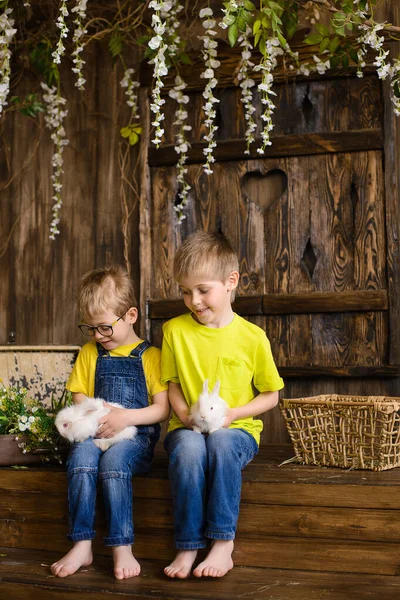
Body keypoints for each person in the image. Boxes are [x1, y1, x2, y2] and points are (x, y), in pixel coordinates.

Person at [161, 231, 284, 579]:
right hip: (186, 428)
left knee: (221, 441)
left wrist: (234, 414)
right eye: (185, 292)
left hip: (238, 431)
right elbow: (172, 385)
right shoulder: (174, 331)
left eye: (203, 290)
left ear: (231, 282)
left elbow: (270, 395)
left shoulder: (252, 338)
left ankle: (222, 542)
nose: (194, 301)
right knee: (188, 450)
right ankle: (186, 545)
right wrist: (184, 416)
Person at [50, 266, 169, 580]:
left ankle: (121, 545)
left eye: (104, 328)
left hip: (134, 440)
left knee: (113, 465)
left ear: (130, 315)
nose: (98, 336)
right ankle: (82, 542)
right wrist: (94, 419)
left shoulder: (151, 356)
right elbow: (79, 397)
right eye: (90, 329)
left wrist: (124, 418)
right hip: (96, 432)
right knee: (80, 460)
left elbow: (162, 410)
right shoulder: (90, 353)